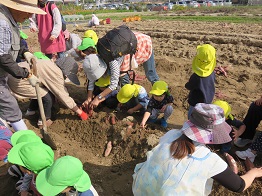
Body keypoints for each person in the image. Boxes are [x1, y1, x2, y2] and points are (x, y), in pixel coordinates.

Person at [132, 103, 262, 195]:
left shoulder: (171, 134)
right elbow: (239, 186)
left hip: (140, 190)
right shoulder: (209, 160)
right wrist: (254, 172)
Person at [83, 31, 159, 110]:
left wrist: (98, 98)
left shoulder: (113, 61)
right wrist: (89, 98)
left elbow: (113, 84)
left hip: (142, 43)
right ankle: (124, 100)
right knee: (120, 77)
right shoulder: (95, 57)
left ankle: (161, 96)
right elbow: (92, 78)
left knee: (151, 74)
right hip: (122, 48)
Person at [0, 0, 45, 131]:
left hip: (2, 73)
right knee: (11, 106)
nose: (30, 16)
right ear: (18, 8)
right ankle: (26, 138)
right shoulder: (2, 22)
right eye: (29, 12)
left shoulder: (10, 19)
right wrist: (26, 74)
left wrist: (25, 52)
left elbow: (15, 40)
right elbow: (2, 57)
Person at [8, 57, 88, 127]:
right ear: (66, 71)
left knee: (40, 91)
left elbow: (57, 88)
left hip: (14, 74)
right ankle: (43, 121)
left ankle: (31, 111)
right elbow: (62, 94)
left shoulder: (50, 64)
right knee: (48, 97)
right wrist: (80, 112)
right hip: (19, 81)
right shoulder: (56, 73)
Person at [185, 44, 216, 118]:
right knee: (202, 118)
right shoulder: (212, 73)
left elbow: (189, 86)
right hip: (208, 101)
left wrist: (187, 85)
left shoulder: (196, 77)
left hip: (196, 103)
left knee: (191, 117)